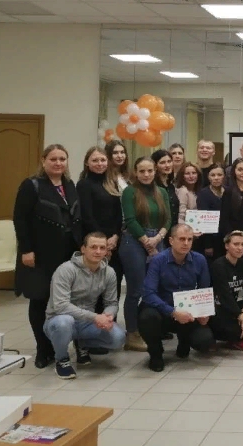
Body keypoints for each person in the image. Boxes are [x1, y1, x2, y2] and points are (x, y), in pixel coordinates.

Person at [13, 144, 83, 369]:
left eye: (62, 159)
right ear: (43, 161)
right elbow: (20, 219)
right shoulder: (31, 185)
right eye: (53, 159)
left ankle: (61, 345)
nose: (58, 163)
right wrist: (26, 250)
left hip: (67, 254)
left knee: (65, 301)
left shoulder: (69, 185)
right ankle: (43, 350)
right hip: (39, 254)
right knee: (40, 300)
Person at [43, 233, 126, 379]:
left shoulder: (109, 272)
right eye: (93, 247)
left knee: (118, 337)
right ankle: (62, 359)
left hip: (86, 323)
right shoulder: (66, 270)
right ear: (83, 249)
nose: (98, 251)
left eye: (102, 248)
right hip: (58, 320)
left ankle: (82, 343)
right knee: (65, 322)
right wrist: (95, 317)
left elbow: (111, 303)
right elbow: (61, 306)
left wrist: (108, 316)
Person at [139, 224, 216, 372]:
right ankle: (156, 353)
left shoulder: (200, 260)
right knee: (147, 317)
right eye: (181, 239)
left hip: (188, 312)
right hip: (162, 310)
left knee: (205, 341)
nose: (186, 243)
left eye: (189, 239)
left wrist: (204, 312)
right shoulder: (158, 260)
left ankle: (184, 341)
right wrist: (172, 312)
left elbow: (204, 289)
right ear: (171, 241)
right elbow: (148, 293)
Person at [119, 156, 171, 352]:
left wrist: (158, 238)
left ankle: (152, 328)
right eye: (142, 171)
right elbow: (130, 220)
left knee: (157, 287)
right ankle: (132, 334)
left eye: (150, 170)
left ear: (155, 171)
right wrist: (146, 241)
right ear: (136, 172)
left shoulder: (162, 192)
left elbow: (168, 219)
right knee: (136, 290)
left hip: (158, 239)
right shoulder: (129, 192)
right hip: (134, 240)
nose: (146, 174)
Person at [77, 147, 124, 344]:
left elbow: (118, 214)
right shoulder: (84, 185)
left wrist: (115, 237)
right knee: (94, 291)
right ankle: (91, 336)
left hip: (114, 242)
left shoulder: (112, 182)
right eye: (95, 160)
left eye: (103, 160)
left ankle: (108, 330)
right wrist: (102, 244)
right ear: (87, 163)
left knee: (113, 289)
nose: (100, 164)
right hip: (95, 244)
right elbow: (87, 216)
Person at [208, 230, 243, 351]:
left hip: (240, 306)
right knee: (232, 329)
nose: (240, 248)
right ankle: (235, 338)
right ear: (226, 246)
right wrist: (241, 316)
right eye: (236, 244)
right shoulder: (218, 266)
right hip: (224, 309)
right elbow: (225, 296)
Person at [220, 158, 243, 260]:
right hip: (233, 240)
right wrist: (231, 239)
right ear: (234, 171)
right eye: (240, 169)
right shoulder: (229, 192)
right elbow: (224, 219)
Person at [197, 163, 226, 263]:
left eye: (219, 175)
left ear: (224, 176)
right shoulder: (203, 194)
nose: (216, 178)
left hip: (226, 237)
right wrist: (208, 245)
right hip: (211, 239)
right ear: (208, 177)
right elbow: (204, 221)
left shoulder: (228, 191)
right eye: (213, 175)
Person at [152, 149, 180, 228]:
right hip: (158, 229)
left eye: (169, 161)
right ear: (155, 166)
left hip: (173, 228)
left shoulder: (171, 186)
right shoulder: (153, 186)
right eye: (162, 163)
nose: (167, 165)